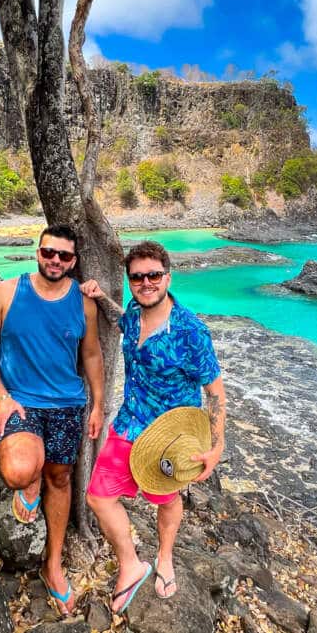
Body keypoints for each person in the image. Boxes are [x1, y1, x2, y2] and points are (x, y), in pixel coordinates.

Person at [81, 240, 226, 613]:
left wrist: (216, 446)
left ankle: (164, 557)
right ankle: (131, 563)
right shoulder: (134, 309)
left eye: (154, 275)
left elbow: (215, 392)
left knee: (166, 498)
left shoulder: (191, 331)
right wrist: (99, 297)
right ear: (130, 281)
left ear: (167, 277)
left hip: (168, 438)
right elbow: (121, 322)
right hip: (130, 422)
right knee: (98, 497)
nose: (146, 283)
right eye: (137, 277)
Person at [0, 224, 104, 614]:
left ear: (73, 261)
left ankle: (53, 565)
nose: (55, 260)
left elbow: (93, 355)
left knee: (61, 477)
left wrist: (97, 404)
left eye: (64, 256)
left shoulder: (84, 303)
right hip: (21, 404)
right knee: (19, 471)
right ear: (38, 251)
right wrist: (1, 397)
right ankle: (29, 484)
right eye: (49, 252)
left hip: (67, 405)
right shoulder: (6, 293)